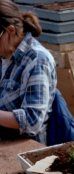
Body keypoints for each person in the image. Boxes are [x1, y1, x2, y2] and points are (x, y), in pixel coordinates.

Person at [0, 0, 57, 144]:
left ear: (10, 31)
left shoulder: (37, 60)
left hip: (24, 146)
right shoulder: (5, 53)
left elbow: (32, 120)